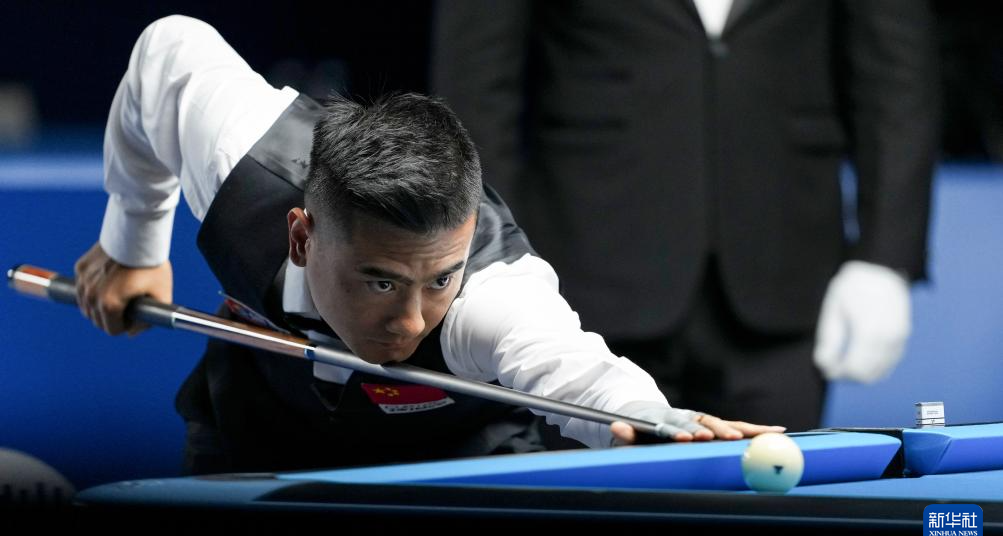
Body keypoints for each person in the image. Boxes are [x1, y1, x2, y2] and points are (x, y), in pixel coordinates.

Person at [73, 15, 781, 474]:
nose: (411, 321)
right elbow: (168, 47)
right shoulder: (241, 162)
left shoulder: (496, 297)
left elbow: (579, 376)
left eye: (439, 280)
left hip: (458, 462)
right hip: (253, 438)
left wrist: (653, 421)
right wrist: (133, 244)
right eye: (380, 281)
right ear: (302, 236)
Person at [433, 0, 940, 431]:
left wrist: (885, 257)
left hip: (785, 273)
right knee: (594, 501)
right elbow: (475, 81)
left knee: (775, 504)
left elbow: (896, 74)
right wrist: (492, 260)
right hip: (582, 277)